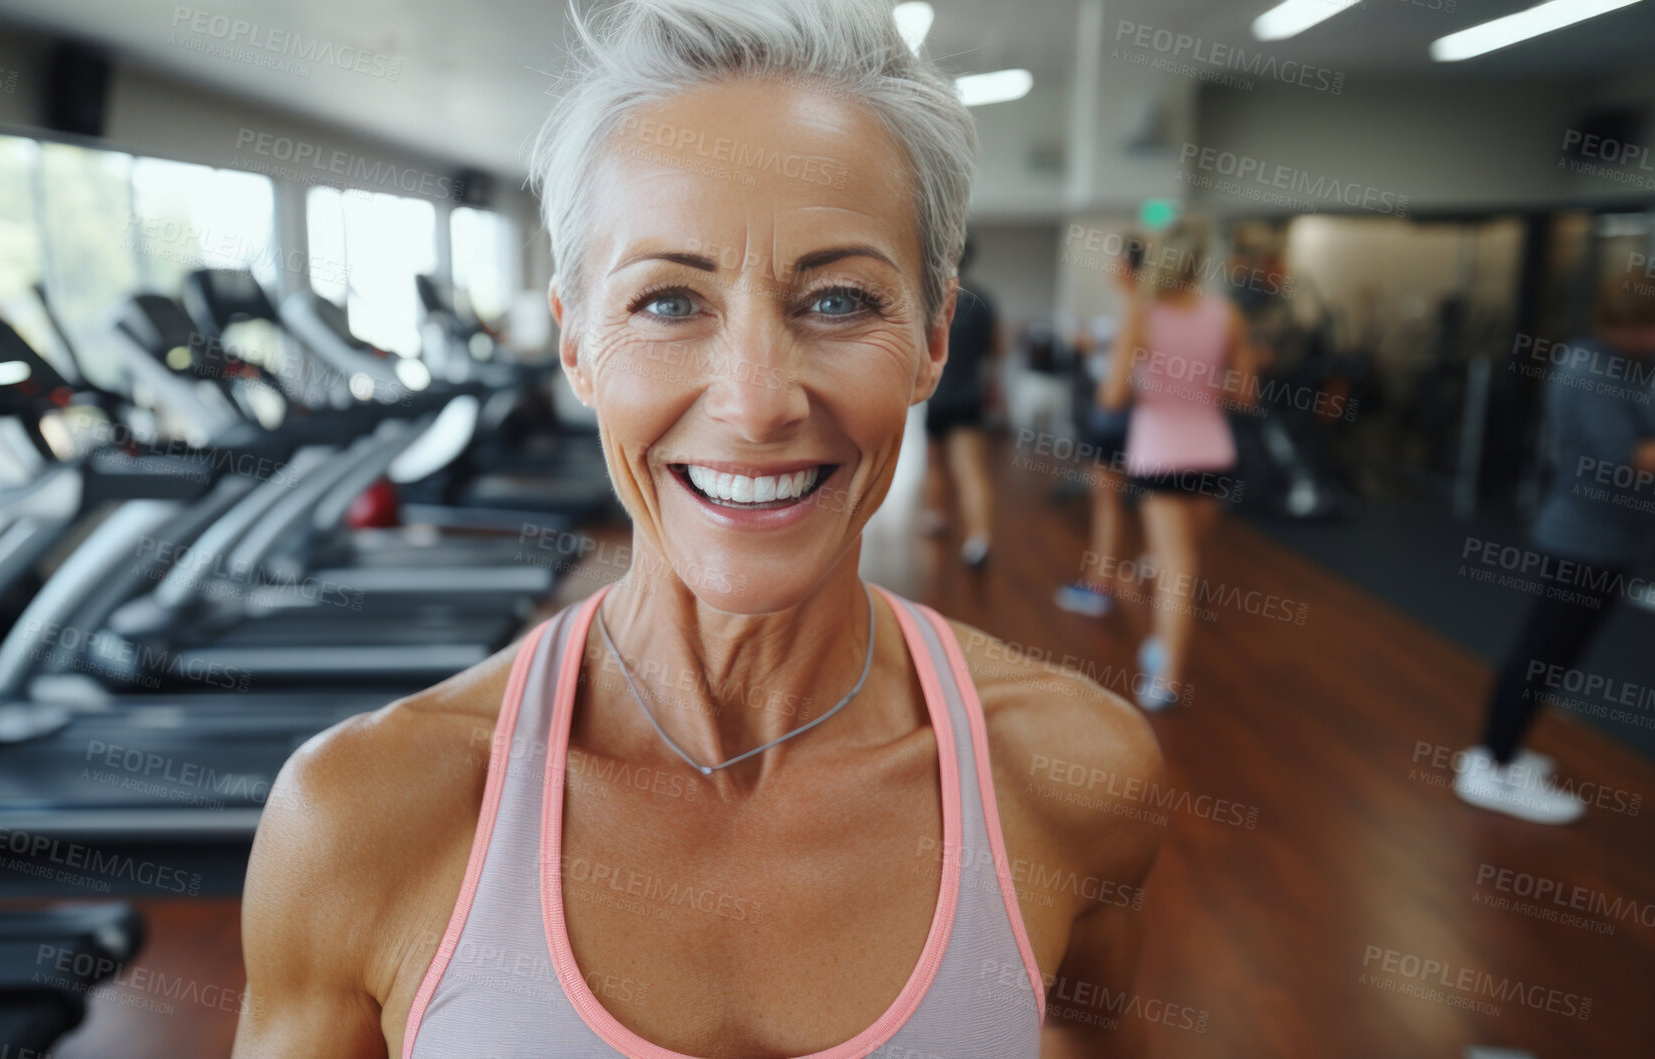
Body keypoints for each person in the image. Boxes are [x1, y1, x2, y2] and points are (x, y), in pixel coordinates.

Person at [233, 2, 1164, 1056]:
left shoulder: (1072, 773)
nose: (756, 401)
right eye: (669, 304)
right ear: (576, 345)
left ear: (932, 340)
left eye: (838, 300)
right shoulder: (358, 819)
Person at [1454, 271, 1655, 825]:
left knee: (1557, 657)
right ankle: (1489, 765)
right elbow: (1630, 459)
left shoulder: (1632, 365)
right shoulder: (1591, 370)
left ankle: (1504, 751)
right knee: (1541, 654)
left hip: (1615, 539)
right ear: (1630, 326)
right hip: (1584, 540)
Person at [1097, 221, 1257, 711]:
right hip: (1213, 456)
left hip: (1161, 456)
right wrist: (1203, 386)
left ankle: (1165, 680)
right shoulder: (1226, 315)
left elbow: (1112, 396)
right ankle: (1149, 605)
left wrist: (1156, 382)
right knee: (1178, 561)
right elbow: (1247, 395)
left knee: (1177, 569)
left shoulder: (1143, 316)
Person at [1055, 238, 1144, 618]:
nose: (1111, 268)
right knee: (1120, 503)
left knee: (1107, 502)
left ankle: (1100, 583)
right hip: (1134, 418)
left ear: (1128, 268)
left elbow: (1119, 380)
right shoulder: (1143, 308)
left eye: (1116, 262)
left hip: (1117, 416)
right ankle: (1121, 576)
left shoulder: (1137, 309)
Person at [923, 237, 1001, 568]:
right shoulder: (983, 299)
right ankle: (978, 537)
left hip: (936, 395)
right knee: (970, 469)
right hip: (969, 397)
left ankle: (937, 517)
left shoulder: (934, 299)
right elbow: (999, 349)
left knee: (935, 463)